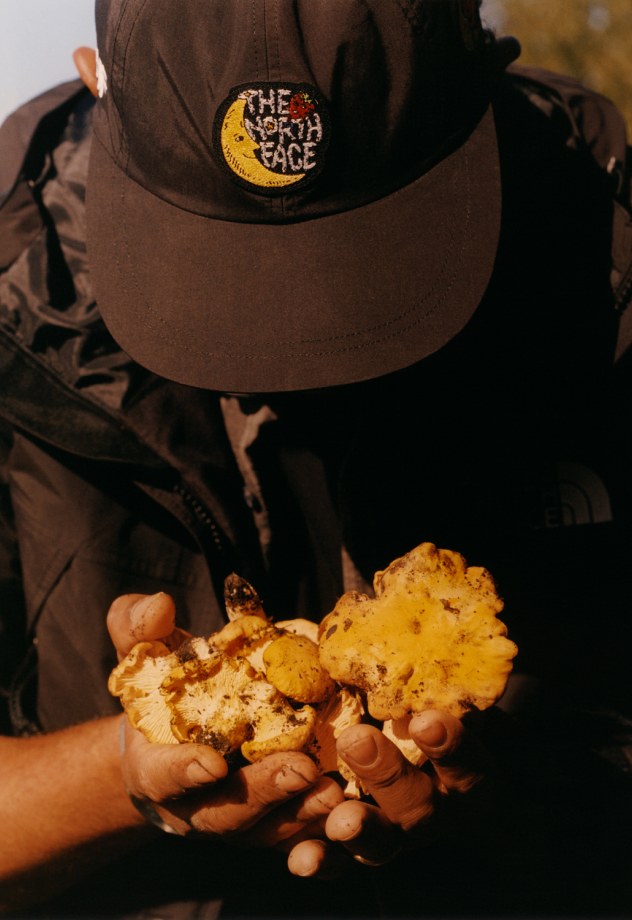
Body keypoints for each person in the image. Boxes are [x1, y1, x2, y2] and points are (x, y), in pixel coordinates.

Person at [1, 1, 631, 917]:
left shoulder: (602, 252)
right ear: (95, 78)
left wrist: (524, 801)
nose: (293, 357)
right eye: (222, 264)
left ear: (480, 79)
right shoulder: (12, 296)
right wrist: (128, 774)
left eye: (361, 249)